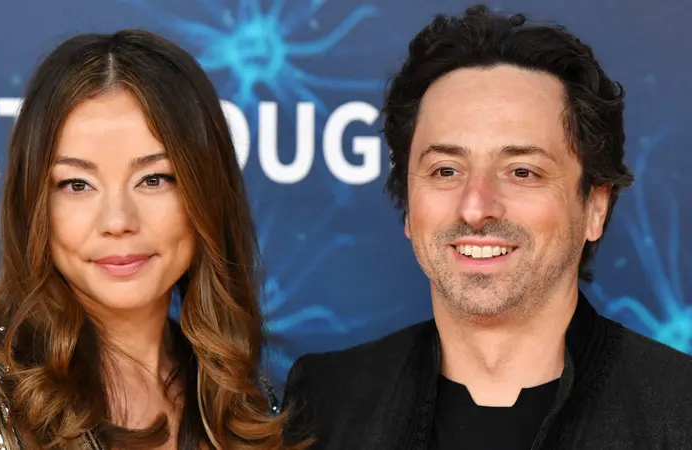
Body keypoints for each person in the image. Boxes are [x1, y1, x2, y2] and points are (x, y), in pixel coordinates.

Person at [282, 5, 692, 449]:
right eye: (445, 170)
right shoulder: (325, 403)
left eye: (522, 172)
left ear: (595, 206)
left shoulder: (679, 409)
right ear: (407, 203)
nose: (476, 207)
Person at [0, 30, 309, 450]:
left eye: (154, 179)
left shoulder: (235, 398)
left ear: (206, 192)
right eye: (76, 184)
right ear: (34, 205)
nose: (117, 221)